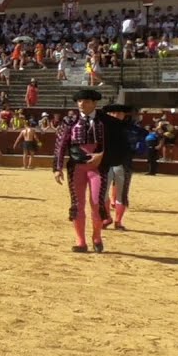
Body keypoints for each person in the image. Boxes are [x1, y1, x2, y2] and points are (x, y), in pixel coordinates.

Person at [53, 89, 107, 253]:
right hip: (76, 167)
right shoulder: (69, 121)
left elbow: (116, 144)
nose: (82, 104)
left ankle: (97, 236)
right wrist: (57, 167)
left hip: (98, 168)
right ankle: (81, 241)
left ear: (94, 103)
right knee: (77, 204)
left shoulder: (104, 121)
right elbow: (60, 145)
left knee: (97, 203)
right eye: (80, 101)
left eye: (86, 101)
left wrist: (102, 154)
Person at [99, 104, 140, 230]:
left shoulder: (130, 129)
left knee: (121, 194)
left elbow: (135, 146)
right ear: (109, 114)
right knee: (102, 193)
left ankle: (118, 221)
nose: (116, 115)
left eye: (119, 113)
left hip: (123, 163)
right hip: (105, 164)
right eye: (113, 113)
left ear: (124, 115)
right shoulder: (101, 127)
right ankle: (107, 218)